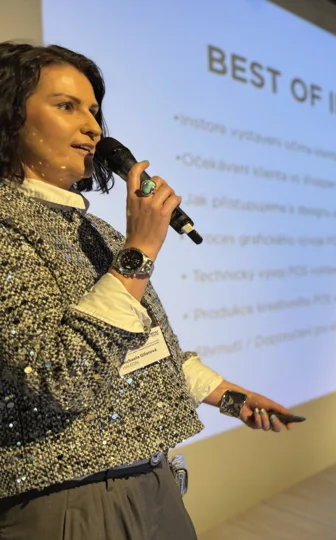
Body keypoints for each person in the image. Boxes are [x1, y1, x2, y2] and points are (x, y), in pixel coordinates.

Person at [0, 41, 298, 539]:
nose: (93, 128)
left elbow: (144, 349)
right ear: (9, 116)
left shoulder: (96, 231)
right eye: (67, 106)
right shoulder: (7, 224)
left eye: (93, 110)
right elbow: (60, 376)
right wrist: (139, 251)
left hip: (153, 481)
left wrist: (232, 399)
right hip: (72, 501)